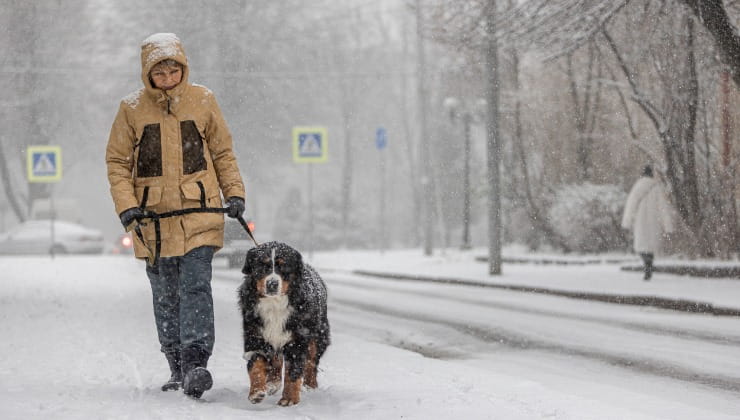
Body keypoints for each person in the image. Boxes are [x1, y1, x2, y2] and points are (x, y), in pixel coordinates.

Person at [105, 33, 246, 398]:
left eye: (173, 70)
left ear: (183, 68)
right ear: (147, 74)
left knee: (196, 287)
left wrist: (234, 193)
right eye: (160, 72)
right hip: (153, 221)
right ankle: (176, 364)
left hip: (200, 214)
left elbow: (223, 153)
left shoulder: (203, 100)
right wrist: (127, 206)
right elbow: (117, 162)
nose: (168, 78)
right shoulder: (132, 109)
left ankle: (196, 362)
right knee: (166, 295)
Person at [621, 165, 674, 280]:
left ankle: (647, 265)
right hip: (654, 221)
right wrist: (668, 226)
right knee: (650, 246)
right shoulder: (657, 188)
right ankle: (649, 266)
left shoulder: (637, 187)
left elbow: (631, 205)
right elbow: (663, 208)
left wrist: (627, 222)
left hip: (640, 221)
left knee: (642, 246)